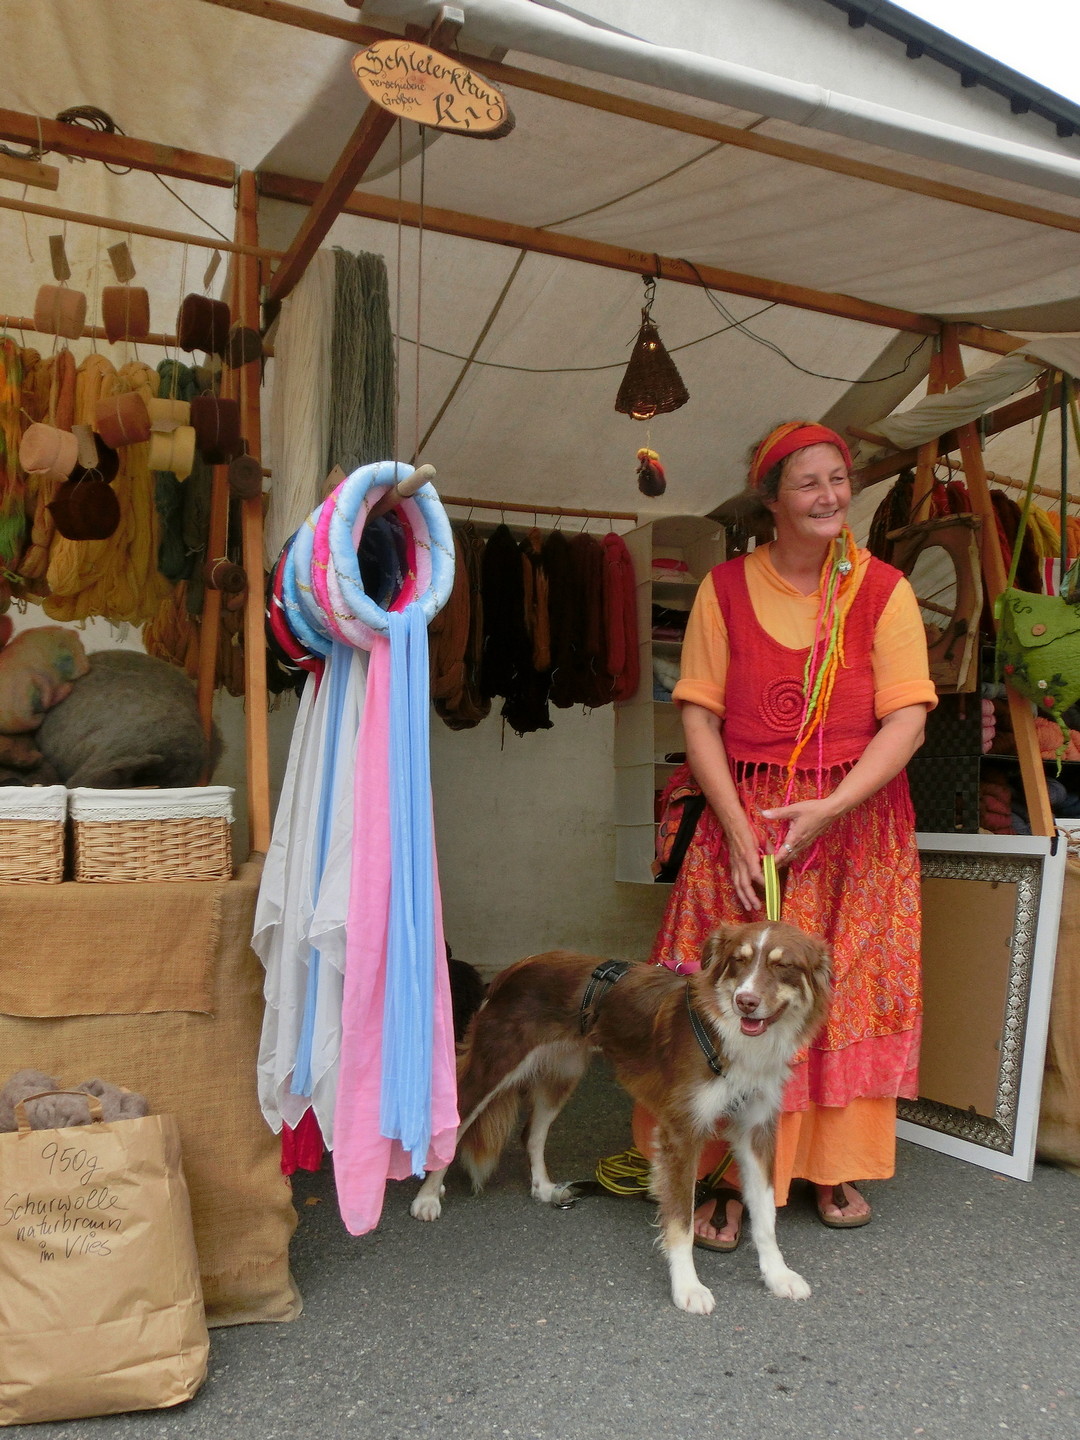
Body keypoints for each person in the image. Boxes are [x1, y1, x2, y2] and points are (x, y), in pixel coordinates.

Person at [608, 420, 936, 1244]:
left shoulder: (884, 589)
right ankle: (721, 1171)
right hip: (745, 819)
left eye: (837, 479)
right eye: (808, 484)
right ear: (772, 501)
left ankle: (830, 1165)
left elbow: (906, 721)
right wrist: (733, 824)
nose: (830, 496)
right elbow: (698, 714)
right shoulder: (723, 589)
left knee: (846, 986)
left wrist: (830, 807)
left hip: (857, 821)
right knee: (731, 996)